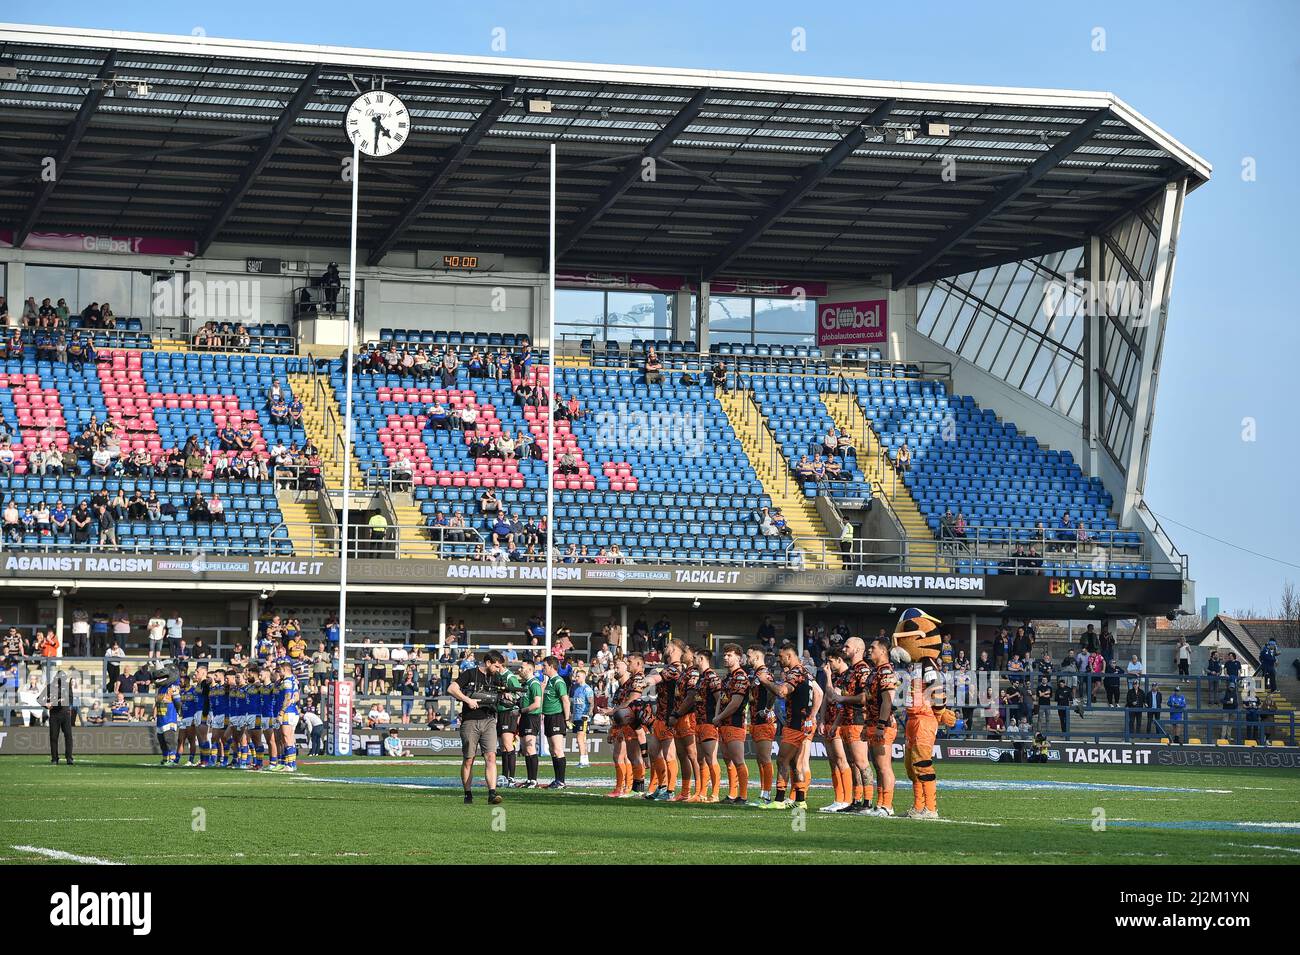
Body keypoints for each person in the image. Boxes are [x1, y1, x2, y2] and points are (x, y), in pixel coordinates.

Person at [755, 642, 818, 811]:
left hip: (796, 724)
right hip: (802, 723)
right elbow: (818, 693)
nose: (778, 660)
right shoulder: (803, 672)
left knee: (782, 760)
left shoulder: (796, 672)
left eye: (781, 657)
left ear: (789, 656)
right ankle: (800, 800)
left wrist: (766, 681)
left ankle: (780, 799)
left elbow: (781, 691)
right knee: (795, 763)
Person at [445, 648, 507, 804]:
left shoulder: (497, 678)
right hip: (470, 721)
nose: (499, 669)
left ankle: (492, 793)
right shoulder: (470, 674)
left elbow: (503, 693)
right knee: (468, 759)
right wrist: (467, 700)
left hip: (489, 720)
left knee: (491, 756)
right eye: (497, 666)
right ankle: (468, 793)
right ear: (488, 662)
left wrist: (506, 695)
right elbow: (451, 688)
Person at [540, 655, 571, 789]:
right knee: (553, 750)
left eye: (545, 666)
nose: (543, 668)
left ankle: (561, 781)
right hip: (548, 717)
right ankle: (557, 779)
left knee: (558, 749)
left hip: (556, 717)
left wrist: (566, 718)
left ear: (552, 667)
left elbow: (565, 700)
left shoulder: (558, 681)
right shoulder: (550, 681)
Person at [41, 667, 79, 764]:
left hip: (65, 714)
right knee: (53, 737)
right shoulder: (50, 687)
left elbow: (71, 699)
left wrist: (64, 701)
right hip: (54, 715)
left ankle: (69, 758)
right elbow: (40, 699)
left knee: (68, 736)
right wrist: (46, 704)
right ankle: (54, 758)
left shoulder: (67, 686)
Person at [569, 668, 594, 769]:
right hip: (576, 717)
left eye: (578, 676)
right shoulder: (576, 689)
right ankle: (585, 760)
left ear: (583, 677)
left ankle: (582, 760)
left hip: (583, 717)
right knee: (582, 739)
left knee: (580, 739)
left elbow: (591, 702)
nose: (576, 678)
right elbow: (574, 704)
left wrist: (589, 713)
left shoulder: (586, 689)